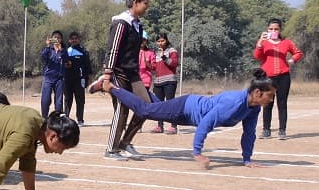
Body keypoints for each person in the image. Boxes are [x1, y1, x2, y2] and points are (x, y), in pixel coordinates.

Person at [92, 70, 275, 169]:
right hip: (186, 108)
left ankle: (145, 93)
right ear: (257, 92)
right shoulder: (234, 102)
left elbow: (249, 133)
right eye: (270, 96)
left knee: (154, 109)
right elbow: (206, 123)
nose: (271, 100)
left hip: (189, 115)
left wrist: (247, 159)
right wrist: (197, 152)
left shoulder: (253, 107)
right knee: (145, 111)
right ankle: (109, 86)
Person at [92, 0, 152, 161]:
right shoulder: (120, 23)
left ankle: (125, 143)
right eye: (145, 4)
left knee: (146, 106)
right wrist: (108, 76)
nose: (147, 7)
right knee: (122, 108)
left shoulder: (138, 25)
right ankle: (111, 150)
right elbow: (112, 50)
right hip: (117, 71)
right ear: (135, 3)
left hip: (132, 72)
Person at [253, 18, 303, 140]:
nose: (273, 31)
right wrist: (260, 42)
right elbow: (256, 56)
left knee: (282, 104)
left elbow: (298, 53)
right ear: (267, 29)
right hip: (268, 77)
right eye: (271, 29)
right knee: (267, 103)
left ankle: (282, 131)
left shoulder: (287, 42)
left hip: (283, 77)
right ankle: (266, 130)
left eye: (276, 29)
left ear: (280, 30)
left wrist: (292, 60)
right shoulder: (263, 43)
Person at [151, 32, 179, 134]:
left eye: (162, 40)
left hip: (169, 81)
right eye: (158, 41)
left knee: (170, 103)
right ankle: (160, 126)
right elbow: (155, 68)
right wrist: (148, 65)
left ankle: (173, 126)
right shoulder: (156, 53)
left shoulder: (172, 50)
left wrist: (164, 57)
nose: (160, 43)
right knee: (159, 104)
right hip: (158, 82)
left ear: (166, 40)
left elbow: (174, 64)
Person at [63, 31, 93, 126]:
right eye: (72, 38)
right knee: (68, 99)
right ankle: (66, 119)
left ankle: (80, 120)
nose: (74, 40)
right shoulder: (66, 51)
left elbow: (88, 67)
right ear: (69, 40)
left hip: (80, 80)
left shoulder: (83, 51)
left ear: (79, 39)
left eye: (76, 38)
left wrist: (89, 79)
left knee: (80, 100)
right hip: (67, 80)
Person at [40, 31, 67, 118]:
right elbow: (43, 57)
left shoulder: (63, 50)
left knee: (59, 101)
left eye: (59, 38)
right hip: (48, 78)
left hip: (59, 79)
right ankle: (44, 117)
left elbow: (66, 59)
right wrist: (48, 46)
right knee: (46, 99)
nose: (57, 39)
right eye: (55, 37)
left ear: (61, 39)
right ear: (52, 39)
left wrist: (60, 50)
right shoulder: (48, 50)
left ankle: (58, 118)